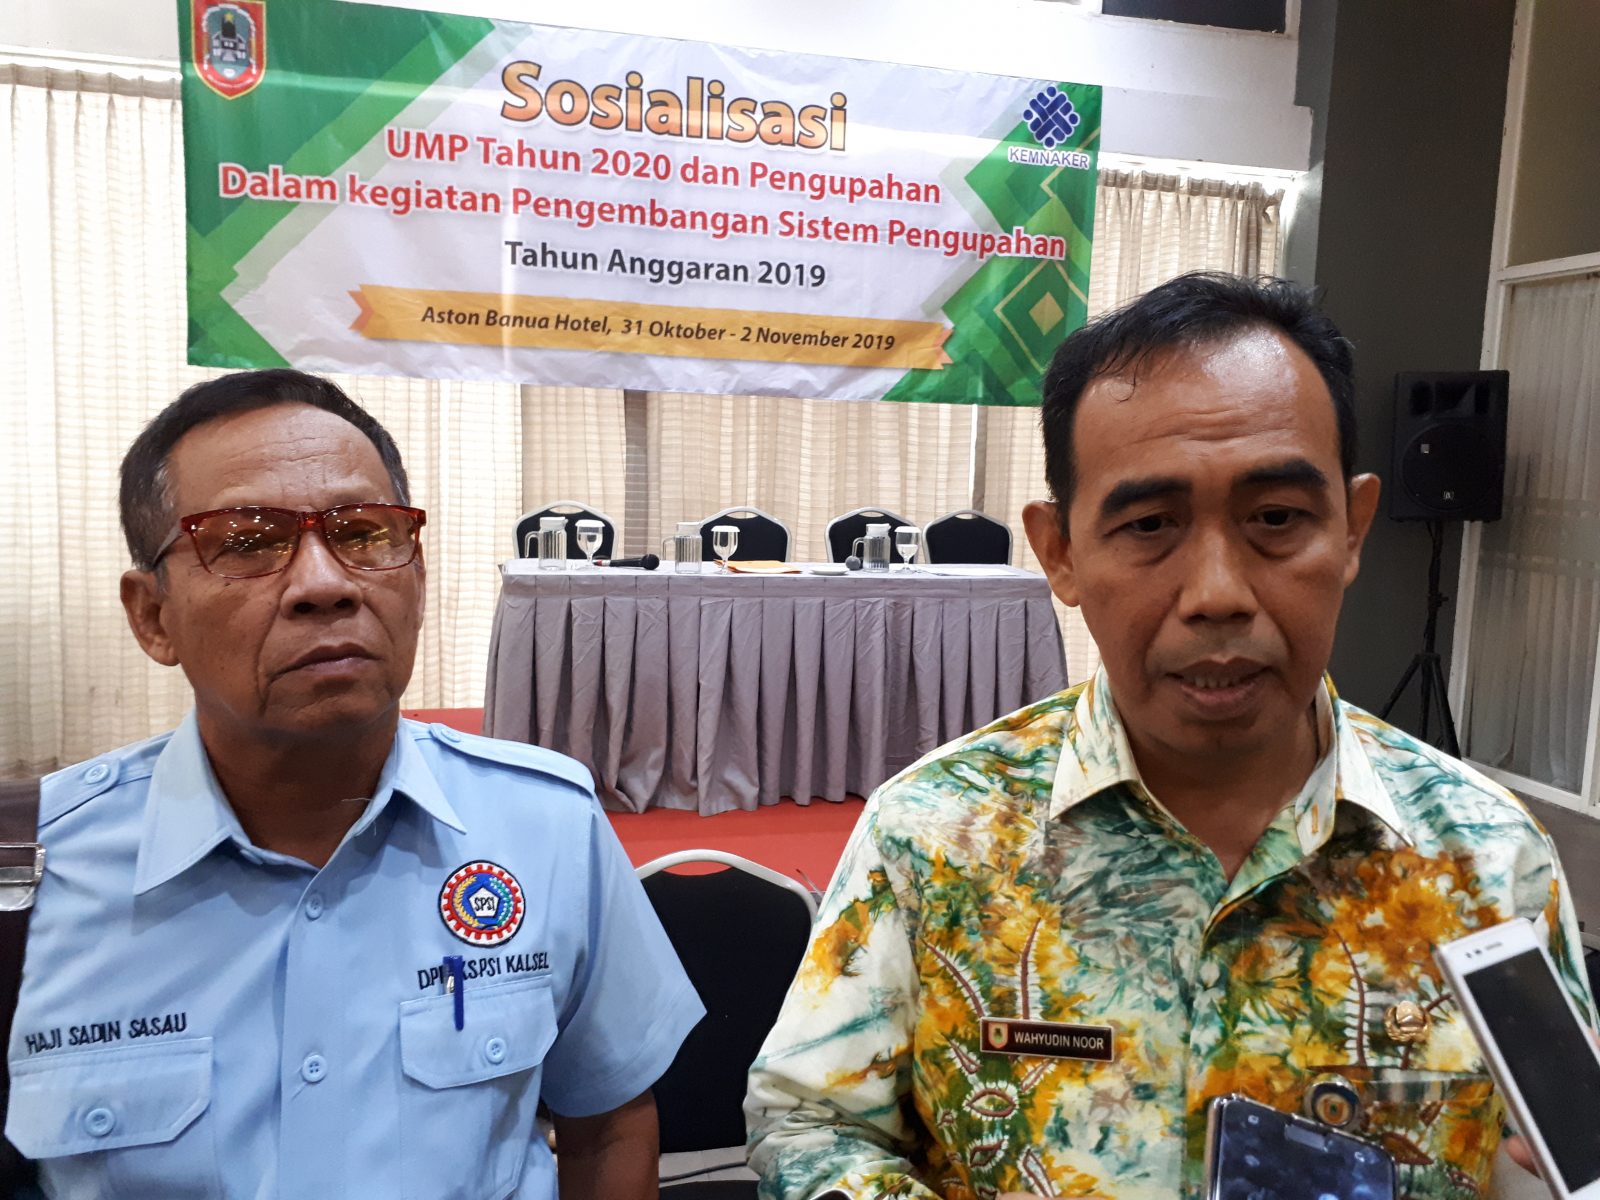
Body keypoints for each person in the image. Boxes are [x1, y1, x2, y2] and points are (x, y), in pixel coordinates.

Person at [745, 272, 1595, 1200]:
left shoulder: (1487, 859)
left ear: (1352, 530)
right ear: (1061, 551)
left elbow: (1556, 1156)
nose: (1218, 594)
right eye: (1150, 525)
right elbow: (812, 1121)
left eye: (1276, 519)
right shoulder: (936, 835)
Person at [5, 369, 702, 1198]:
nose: (325, 584)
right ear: (152, 615)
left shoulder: (544, 824)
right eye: (247, 541)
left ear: (418, 578)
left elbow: (608, 1124)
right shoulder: (35, 875)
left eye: (363, 532)